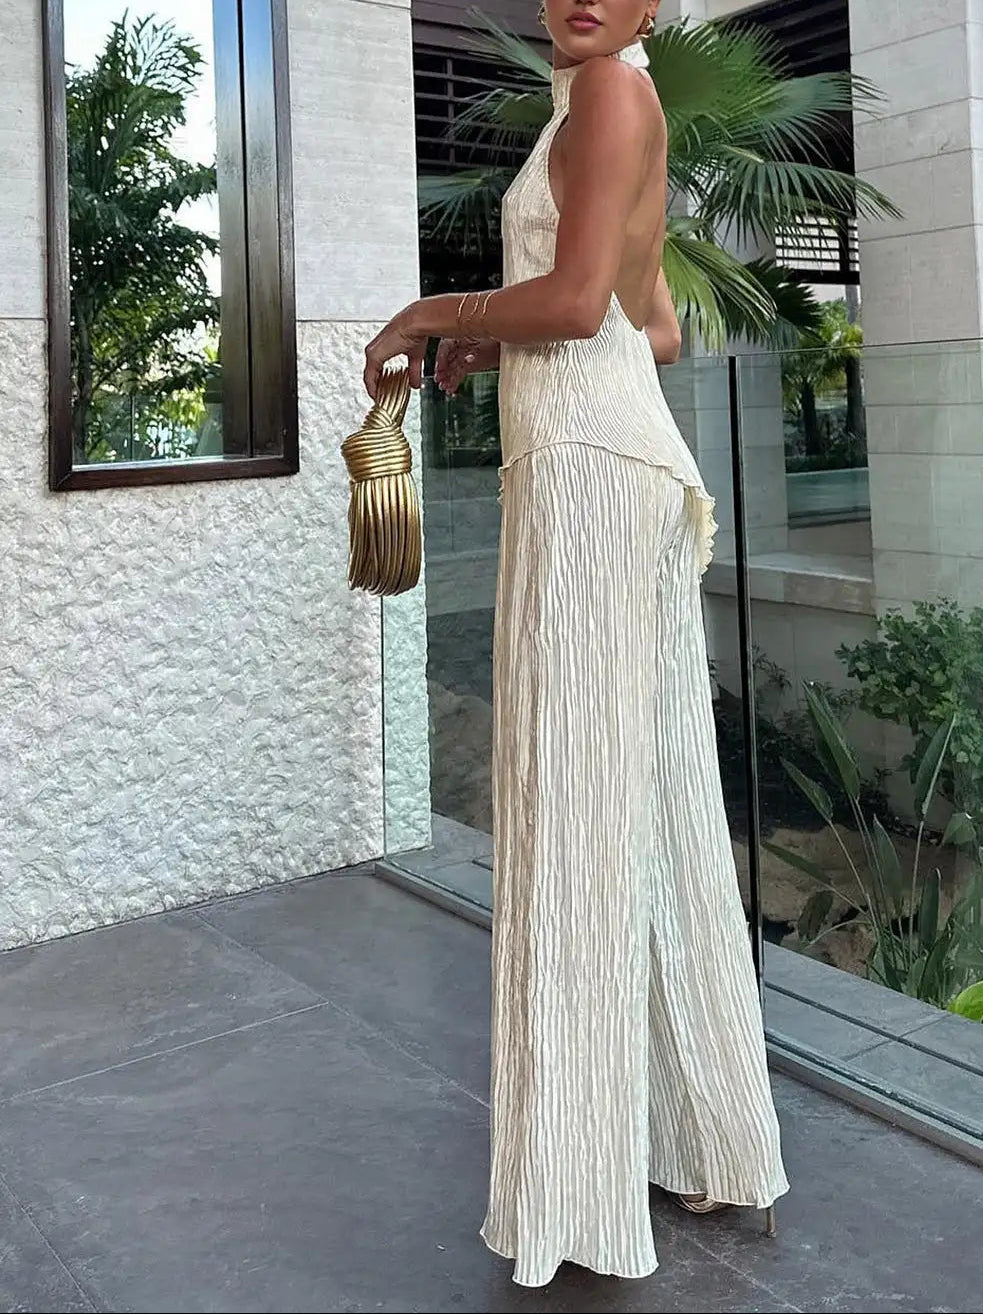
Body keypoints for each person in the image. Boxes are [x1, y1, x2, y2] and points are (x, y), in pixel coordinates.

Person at [363, 0, 788, 1288]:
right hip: (609, 467)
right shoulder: (604, 100)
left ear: (654, 5)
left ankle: (580, 1192)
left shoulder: (610, 93)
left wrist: (433, 312)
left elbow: (579, 298)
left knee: (574, 819)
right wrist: (499, 336)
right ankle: (702, 1140)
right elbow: (649, 327)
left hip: (595, 484)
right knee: (641, 807)